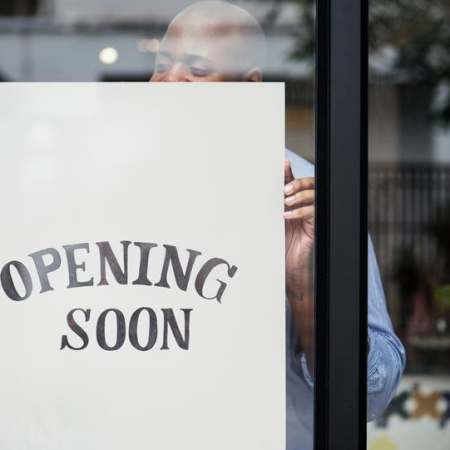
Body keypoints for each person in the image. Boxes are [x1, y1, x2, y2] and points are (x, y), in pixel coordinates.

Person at [149, 2, 406, 449]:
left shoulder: (308, 200)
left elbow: (371, 395)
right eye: (161, 65)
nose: (170, 81)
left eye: (197, 69)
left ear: (249, 87)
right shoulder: (110, 185)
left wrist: (304, 289)